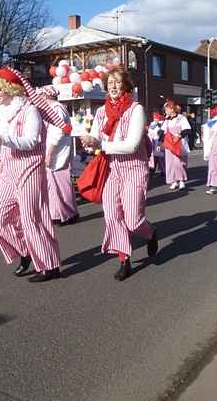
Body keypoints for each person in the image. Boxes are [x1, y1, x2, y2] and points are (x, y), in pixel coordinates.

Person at [0, 66, 61, 283]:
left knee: (31, 218)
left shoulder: (29, 110)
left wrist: (5, 140)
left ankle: (49, 265)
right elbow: (0, 146)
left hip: (29, 169)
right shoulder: (2, 113)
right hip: (8, 172)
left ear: (10, 89)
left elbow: (32, 141)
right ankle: (26, 251)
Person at [80, 67, 158, 281]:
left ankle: (150, 233)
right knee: (112, 216)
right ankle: (124, 259)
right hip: (112, 169)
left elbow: (132, 145)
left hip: (134, 168)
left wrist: (101, 145)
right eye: (110, 82)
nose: (113, 86)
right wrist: (88, 143)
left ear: (125, 85)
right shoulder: (101, 112)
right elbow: (95, 141)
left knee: (133, 221)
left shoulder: (136, 109)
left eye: (117, 82)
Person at [40, 86, 79, 226]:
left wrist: (50, 153)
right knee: (53, 184)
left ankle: (69, 213)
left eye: (41, 96)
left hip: (58, 152)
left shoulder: (57, 109)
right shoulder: (52, 109)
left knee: (62, 185)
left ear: (46, 96)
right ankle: (56, 213)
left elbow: (58, 132)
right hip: (55, 151)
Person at [162, 99, 191, 191]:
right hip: (169, 144)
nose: (165, 111)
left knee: (179, 162)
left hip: (179, 143)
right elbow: (162, 131)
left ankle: (181, 180)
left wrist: (179, 136)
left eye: (167, 109)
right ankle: (173, 181)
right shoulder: (167, 120)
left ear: (172, 109)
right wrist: (160, 142)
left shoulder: (181, 118)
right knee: (170, 163)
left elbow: (187, 129)